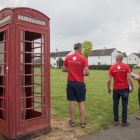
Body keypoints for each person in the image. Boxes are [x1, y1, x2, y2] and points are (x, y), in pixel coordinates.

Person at [62, 43, 89, 128]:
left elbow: (63, 69)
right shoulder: (83, 59)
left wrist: (70, 71)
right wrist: (82, 73)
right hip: (80, 83)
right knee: (80, 102)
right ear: (80, 49)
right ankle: (82, 122)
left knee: (71, 102)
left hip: (70, 82)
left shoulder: (68, 57)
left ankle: (72, 122)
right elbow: (87, 72)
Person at [107, 53, 134, 127]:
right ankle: (124, 122)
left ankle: (116, 121)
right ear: (122, 59)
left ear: (116, 59)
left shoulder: (112, 67)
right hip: (124, 88)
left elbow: (109, 80)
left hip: (116, 88)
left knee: (115, 104)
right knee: (124, 104)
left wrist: (108, 88)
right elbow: (129, 78)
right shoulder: (126, 66)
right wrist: (132, 87)